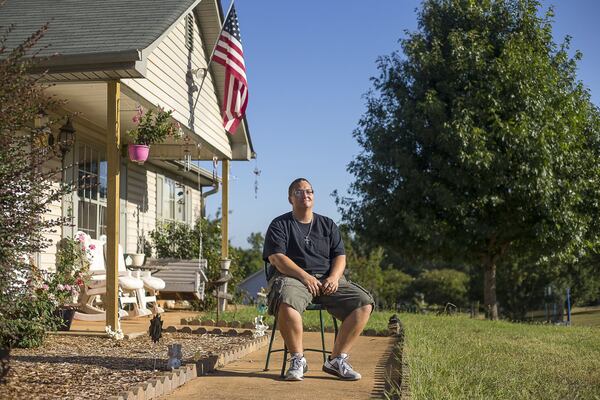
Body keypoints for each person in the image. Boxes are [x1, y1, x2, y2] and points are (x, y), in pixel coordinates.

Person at [263, 178, 374, 381]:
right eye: (299, 192)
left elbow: (340, 256)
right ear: (290, 198)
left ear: (313, 196)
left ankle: (336, 360)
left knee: (364, 303)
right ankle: (298, 360)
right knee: (286, 300)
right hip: (293, 278)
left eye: (309, 191)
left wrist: (334, 277)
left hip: (327, 281)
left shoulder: (327, 224)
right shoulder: (280, 224)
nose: (305, 194)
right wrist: (305, 277)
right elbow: (277, 258)